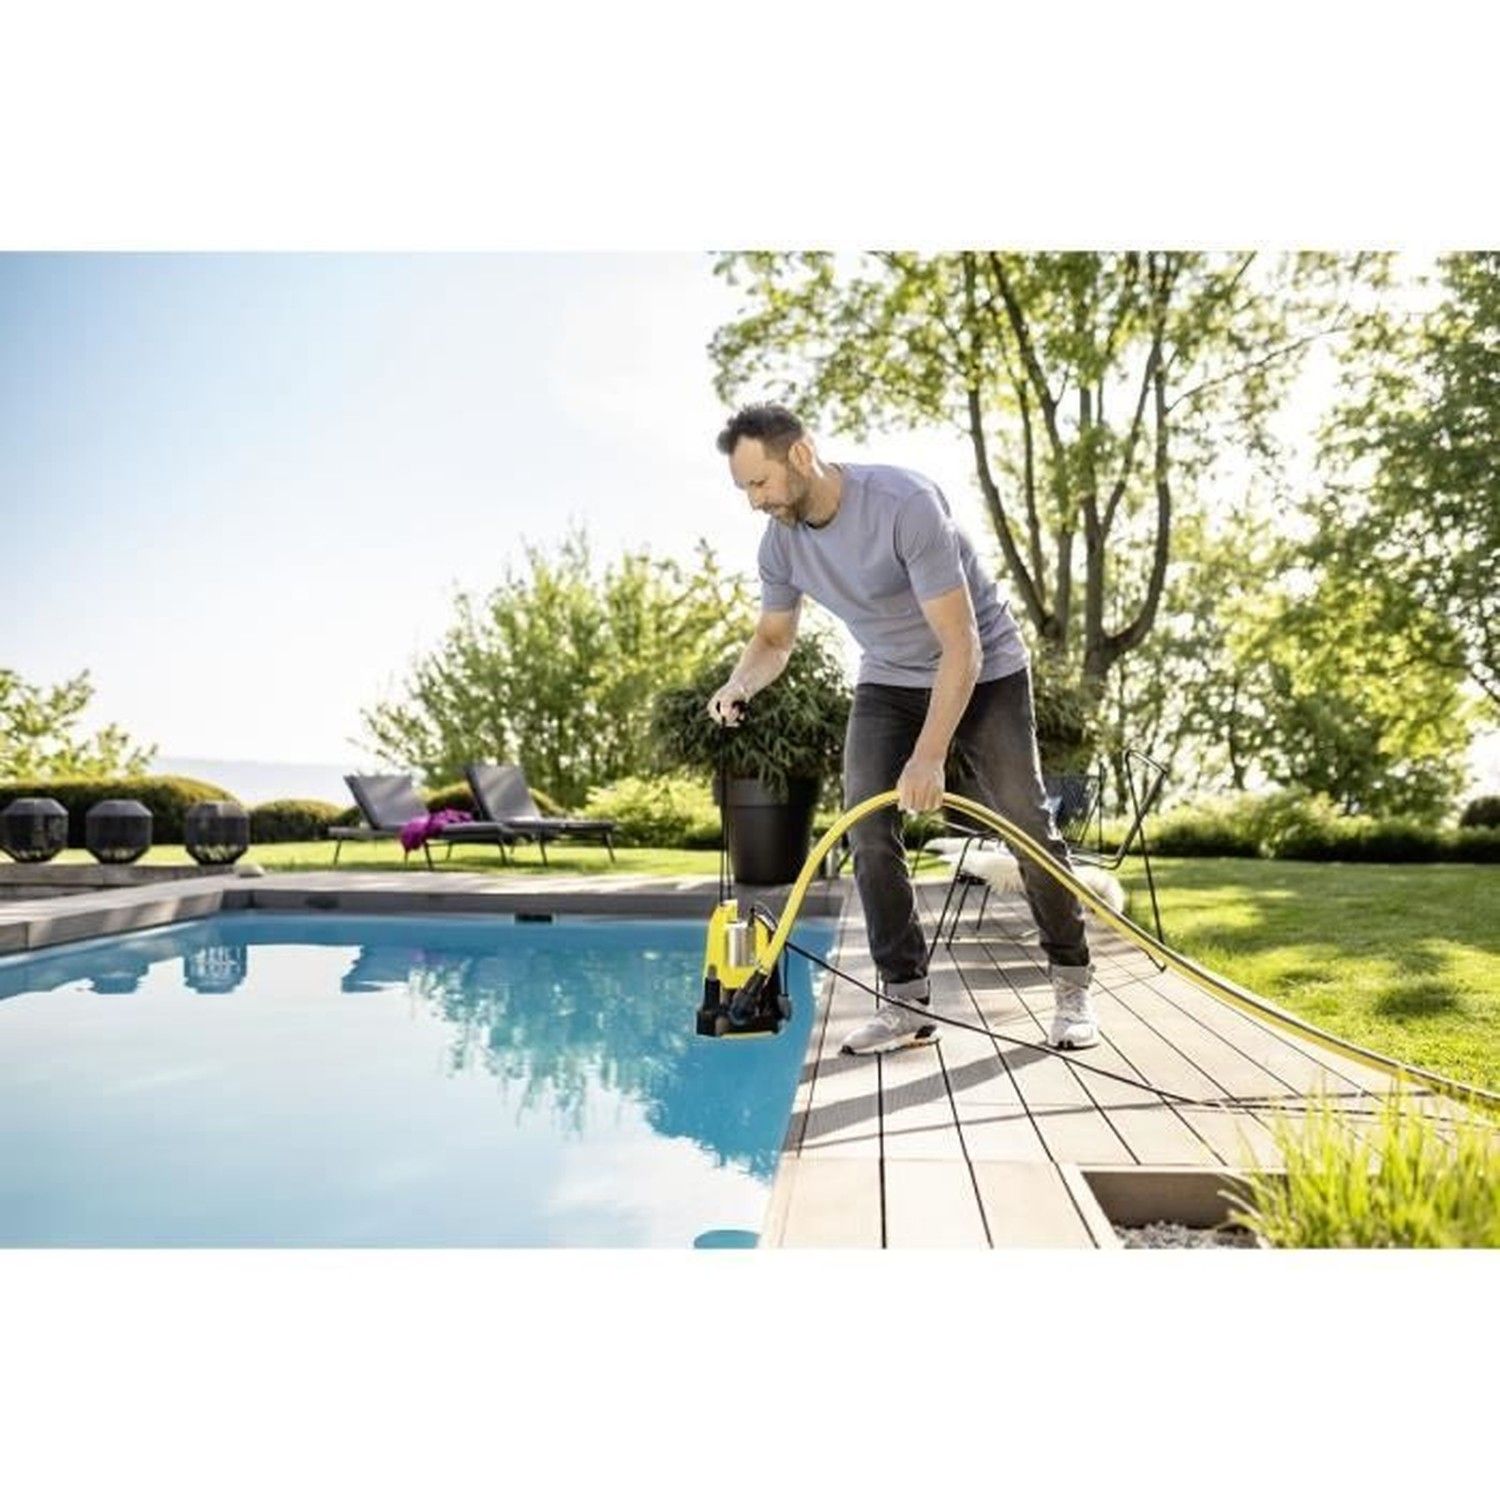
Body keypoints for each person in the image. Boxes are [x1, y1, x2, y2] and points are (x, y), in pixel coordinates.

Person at [707, 402, 1099, 1055]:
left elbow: (961, 644)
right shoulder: (780, 545)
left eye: (760, 482)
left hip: (984, 668)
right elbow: (774, 639)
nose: (755, 501)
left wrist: (929, 755)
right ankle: (905, 1002)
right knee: (866, 826)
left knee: (1025, 822)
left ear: (800, 455)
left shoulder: (902, 503)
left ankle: (1072, 983)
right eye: (745, 488)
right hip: (889, 678)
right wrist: (738, 684)